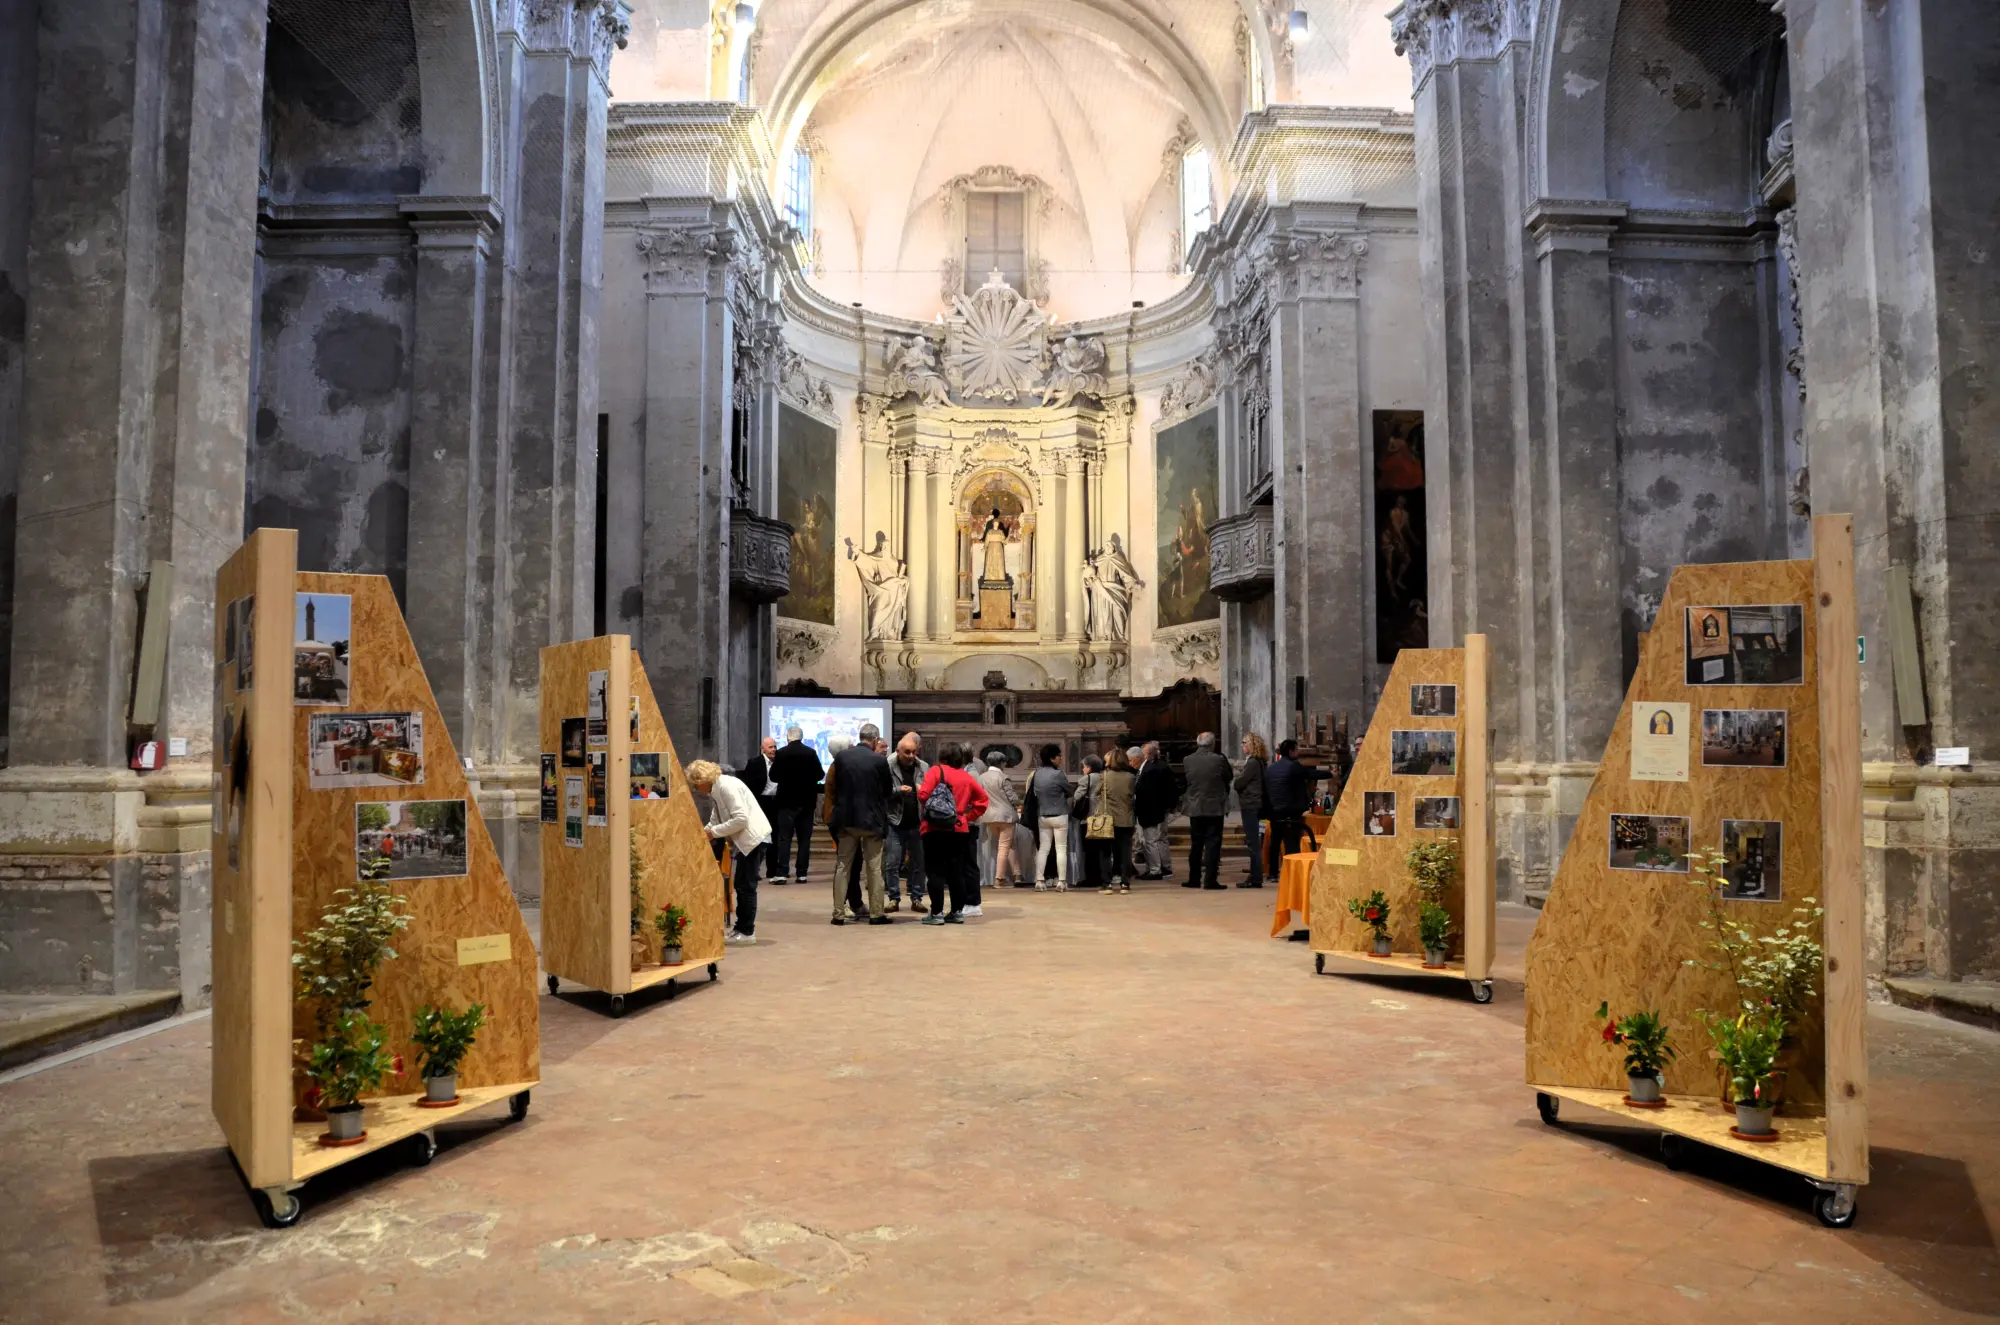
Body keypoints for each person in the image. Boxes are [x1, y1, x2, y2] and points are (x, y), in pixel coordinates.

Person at [687, 760, 769, 945]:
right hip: (745, 841)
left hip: (753, 839)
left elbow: (741, 819)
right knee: (741, 885)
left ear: (702, 779)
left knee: (746, 886)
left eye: (695, 784)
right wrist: (704, 831)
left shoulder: (726, 786)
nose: (695, 789)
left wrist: (713, 832)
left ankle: (747, 932)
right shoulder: (717, 788)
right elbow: (717, 817)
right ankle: (740, 928)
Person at [827, 722, 894, 926]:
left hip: (846, 820)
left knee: (843, 866)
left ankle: (838, 914)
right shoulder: (879, 760)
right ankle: (876, 914)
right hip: (872, 821)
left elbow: (835, 787)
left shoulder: (842, 757)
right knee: (873, 868)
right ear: (875, 740)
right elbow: (887, 791)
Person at [917, 743, 987, 924]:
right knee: (957, 872)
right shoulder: (966, 777)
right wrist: (966, 816)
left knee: (935, 871)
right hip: (959, 828)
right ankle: (956, 912)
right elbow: (982, 801)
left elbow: (923, 795)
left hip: (934, 829)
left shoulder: (935, 771)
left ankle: (937, 913)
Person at [766, 725, 824, 884]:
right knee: (804, 839)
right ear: (801, 737)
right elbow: (820, 773)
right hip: (807, 802)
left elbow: (774, 776)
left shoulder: (782, 753)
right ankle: (802, 873)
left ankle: (782, 872)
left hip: (786, 802)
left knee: (784, 838)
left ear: (787, 737)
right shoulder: (810, 753)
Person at [883, 732, 929, 913]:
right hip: (895, 821)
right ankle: (893, 899)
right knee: (892, 863)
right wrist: (897, 790)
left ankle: (917, 898)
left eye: (914, 752)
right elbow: (881, 792)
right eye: (907, 752)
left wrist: (923, 791)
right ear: (897, 751)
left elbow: (931, 790)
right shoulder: (887, 765)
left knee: (919, 863)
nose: (911, 756)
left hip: (917, 821)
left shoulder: (923, 766)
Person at [1265, 738, 1331, 861]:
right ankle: (1291, 868)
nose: (1299, 752)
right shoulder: (1293, 766)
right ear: (1291, 752)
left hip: (1274, 810)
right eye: (1297, 750)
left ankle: (1273, 873)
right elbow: (1310, 773)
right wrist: (1330, 773)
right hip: (1290, 810)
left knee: (1275, 841)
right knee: (1291, 842)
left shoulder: (1271, 768)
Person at [1180, 731, 1231, 891]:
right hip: (1215, 806)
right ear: (1212, 744)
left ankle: (1193, 879)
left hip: (1195, 806)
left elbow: (1186, 781)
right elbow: (1228, 777)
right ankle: (1210, 880)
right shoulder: (1219, 760)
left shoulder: (1187, 760)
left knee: (1196, 844)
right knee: (1213, 844)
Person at [1028, 743, 1072, 890]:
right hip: (1059, 814)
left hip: (1042, 815)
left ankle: (1039, 881)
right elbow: (1069, 790)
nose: (1061, 758)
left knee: (1043, 849)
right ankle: (1061, 881)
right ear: (1052, 758)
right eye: (1059, 756)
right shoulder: (1058, 774)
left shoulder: (1037, 773)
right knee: (1060, 848)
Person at [977, 751, 1020, 896]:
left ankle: (1017, 874)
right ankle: (999, 879)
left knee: (1009, 844)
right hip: (1005, 816)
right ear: (1001, 763)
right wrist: (1019, 802)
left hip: (989, 816)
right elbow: (1012, 798)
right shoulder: (1003, 777)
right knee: (1004, 847)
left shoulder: (981, 777)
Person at [1132, 741, 1175, 880]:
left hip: (1151, 811)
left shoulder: (1152, 769)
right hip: (1154, 810)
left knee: (1152, 841)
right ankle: (1160, 867)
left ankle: (1156, 870)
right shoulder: (1151, 767)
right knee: (1155, 840)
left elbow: (1150, 792)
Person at [1096, 745, 1137, 893]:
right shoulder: (1131, 777)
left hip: (1107, 819)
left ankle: (1106, 884)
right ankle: (1125, 884)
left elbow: (1096, 793)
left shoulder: (1104, 776)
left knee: (1106, 852)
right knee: (1125, 853)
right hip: (1126, 818)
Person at [1234, 733, 1268, 888]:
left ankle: (1255, 878)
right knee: (1254, 842)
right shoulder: (1259, 761)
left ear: (1251, 745)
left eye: (1244, 743)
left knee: (1253, 843)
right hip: (1254, 803)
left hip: (1251, 804)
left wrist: (1237, 779)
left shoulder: (1253, 763)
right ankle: (1255, 875)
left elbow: (1239, 783)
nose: (1242, 745)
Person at [1071, 753, 1104, 890]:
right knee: (1102, 849)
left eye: (1084, 767)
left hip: (1089, 819)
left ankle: (1091, 878)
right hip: (1103, 818)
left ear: (1089, 767)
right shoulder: (1105, 777)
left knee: (1089, 851)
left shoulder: (1086, 779)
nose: (1083, 770)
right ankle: (1103, 876)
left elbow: (1077, 797)